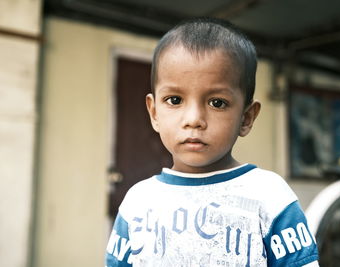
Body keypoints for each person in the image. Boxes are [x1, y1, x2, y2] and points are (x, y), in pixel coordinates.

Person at [105, 17, 319, 267]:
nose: (194, 119)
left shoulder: (269, 195)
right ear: (154, 113)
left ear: (246, 118)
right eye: (174, 100)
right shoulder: (138, 202)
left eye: (217, 103)